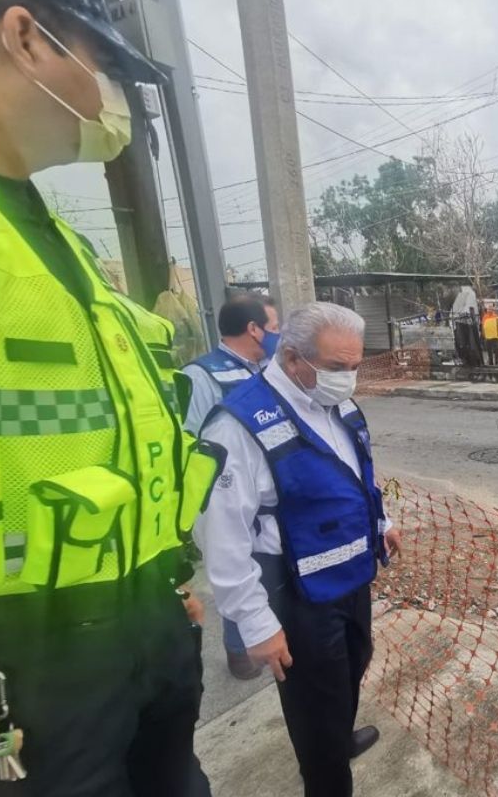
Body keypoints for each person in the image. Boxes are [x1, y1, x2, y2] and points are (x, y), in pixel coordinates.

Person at [0, 0, 217, 794]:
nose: (114, 97)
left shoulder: (61, 245)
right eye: (105, 66)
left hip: (140, 621)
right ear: (23, 38)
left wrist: (163, 580)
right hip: (24, 651)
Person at [195, 302, 401, 797]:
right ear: (292, 358)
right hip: (294, 595)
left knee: (352, 665)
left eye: (354, 368)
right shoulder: (239, 424)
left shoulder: (338, 404)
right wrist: (255, 624)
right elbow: (221, 535)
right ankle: (326, 774)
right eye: (336, 368)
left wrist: (382, 521)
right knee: (313, 702)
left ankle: (336, 737)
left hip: (350, 578)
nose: (348, 380)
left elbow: (353, 474)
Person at [184, 296, 274, 680]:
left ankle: (268, 634)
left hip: (267, 492)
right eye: (272, 326)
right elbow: (189, 439)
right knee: (235, 565)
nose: (276, 334)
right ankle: (239, 651)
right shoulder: (202, 375)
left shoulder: (265, 368)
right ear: (254, 328)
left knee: (263, 570)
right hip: (225, 491)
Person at [183, 296, 270, 435]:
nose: (279, 335)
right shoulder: (199, 376)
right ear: (253, 329)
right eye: (274, 328)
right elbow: (191, 438)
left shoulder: (270, 366)